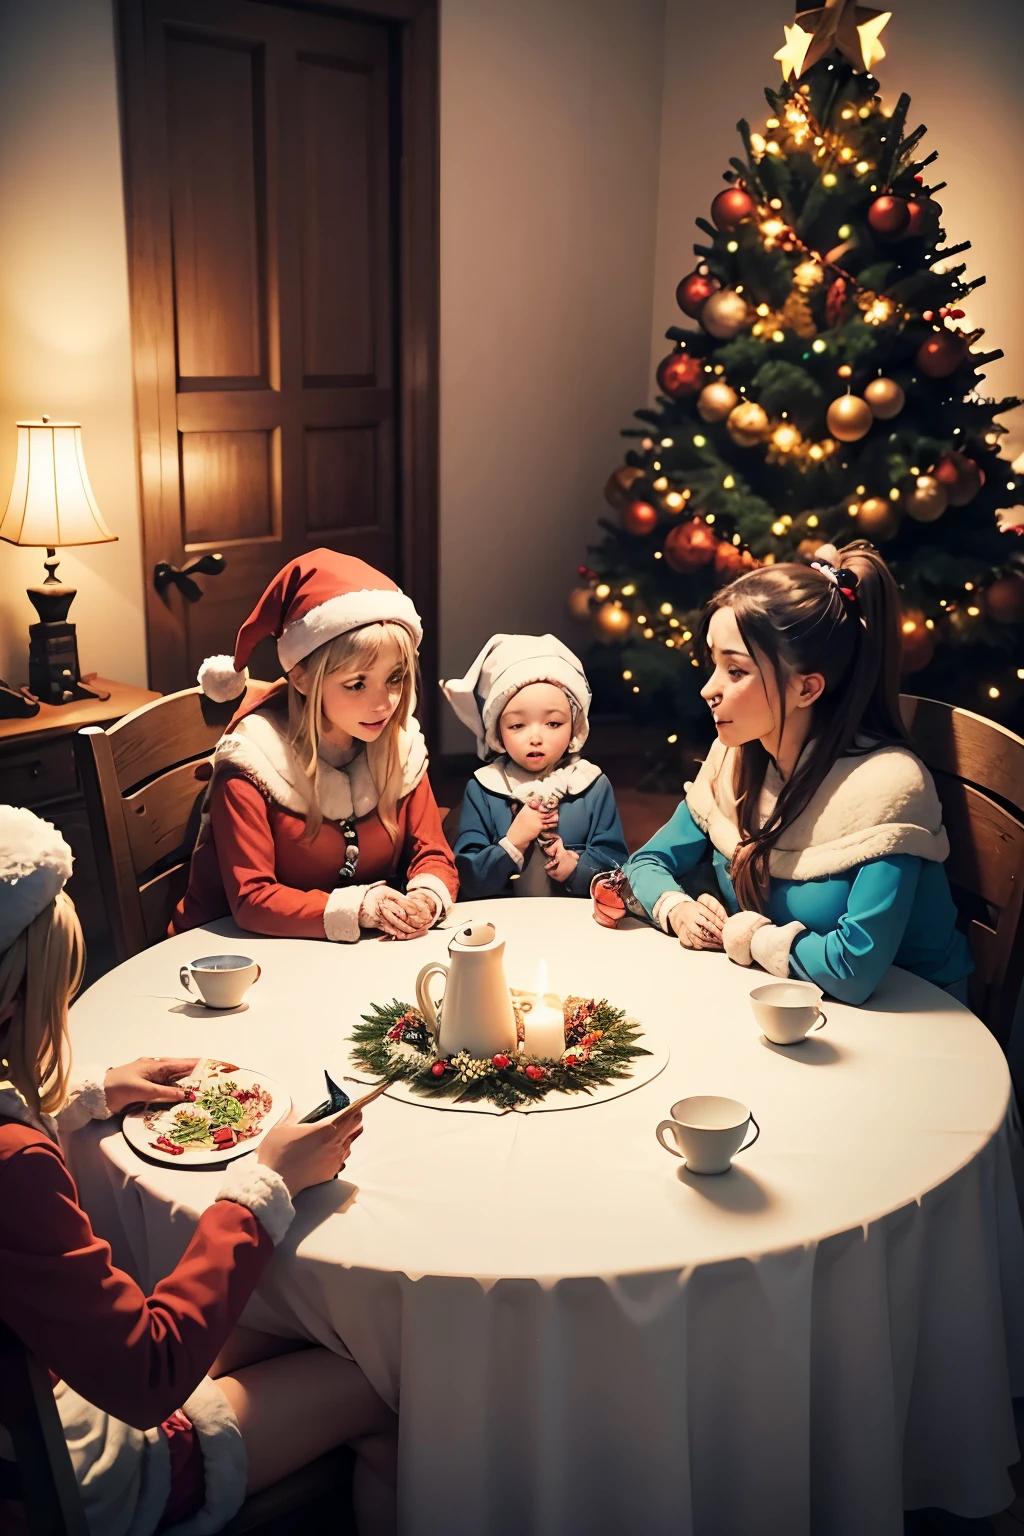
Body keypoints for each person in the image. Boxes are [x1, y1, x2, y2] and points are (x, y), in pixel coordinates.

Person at [0, 805, 396, 1534]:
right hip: (61, 1471)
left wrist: (86, 1093)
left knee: (334, 1325)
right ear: (17, 999)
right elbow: (149, 1374)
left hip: (52, 1380)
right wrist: (263, 1185)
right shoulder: (15, 1169)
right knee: (380, 1383)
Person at [620, 543, 973, 1006]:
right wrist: (679, 909)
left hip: (912, 1019)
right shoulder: (735, 759)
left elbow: (852, 970)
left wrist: (745, 933)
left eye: (736, 670)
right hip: (792, 1004)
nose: (709, 689)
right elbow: (645, 865)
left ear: (806, 687)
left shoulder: (886, 788)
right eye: (713, 664)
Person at [172, 550, 457, 943]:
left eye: (395, 678)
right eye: (357, 683)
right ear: (302, 678)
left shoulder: (399, 745)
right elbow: (252, 898)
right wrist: (360, 909)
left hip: (345, 961)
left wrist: (426, 896)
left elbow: (434, 853)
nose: (385, 703)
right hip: (230, 964)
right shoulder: (252, 762)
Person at [442, 634, 628, 898]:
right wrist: (513, 842)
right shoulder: (484, 788)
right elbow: (466, 878)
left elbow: (617, 865)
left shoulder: (591, 785)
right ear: (497, 732)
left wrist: (575, 867)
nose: (536, 738)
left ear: (575, 725)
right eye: (517, 725)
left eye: (553, 723)